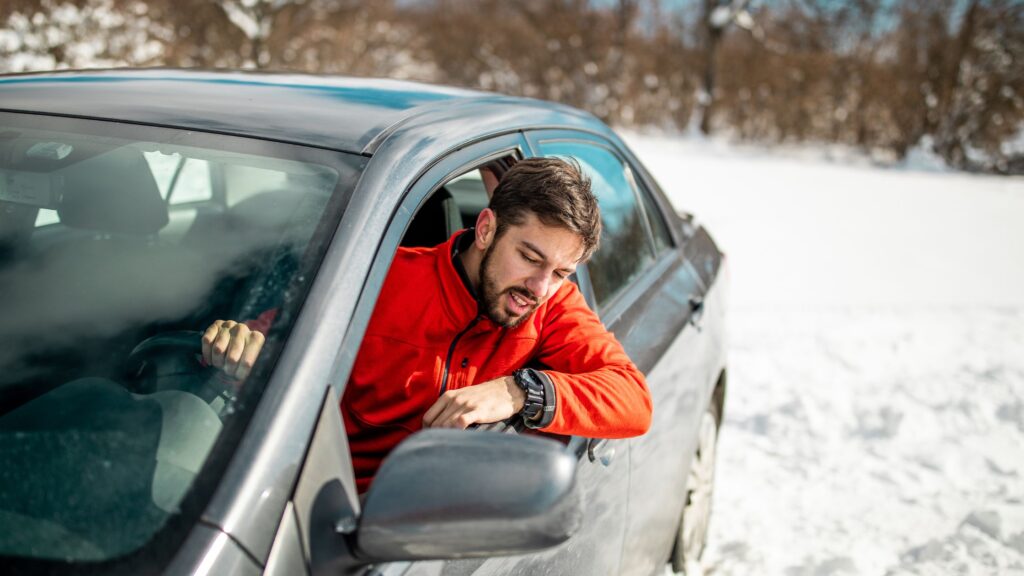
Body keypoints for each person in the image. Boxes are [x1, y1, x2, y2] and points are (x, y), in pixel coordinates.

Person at [202, 158, 652, 492]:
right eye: (530, 258)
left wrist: (518, 392)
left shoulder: (552, 306)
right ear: (486, 229)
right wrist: (235, 342)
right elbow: (261, 341)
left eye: (560, 272)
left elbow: (633, 400)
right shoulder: (375, 280)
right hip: (319, 516)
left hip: (442, 529)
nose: (539, 286)